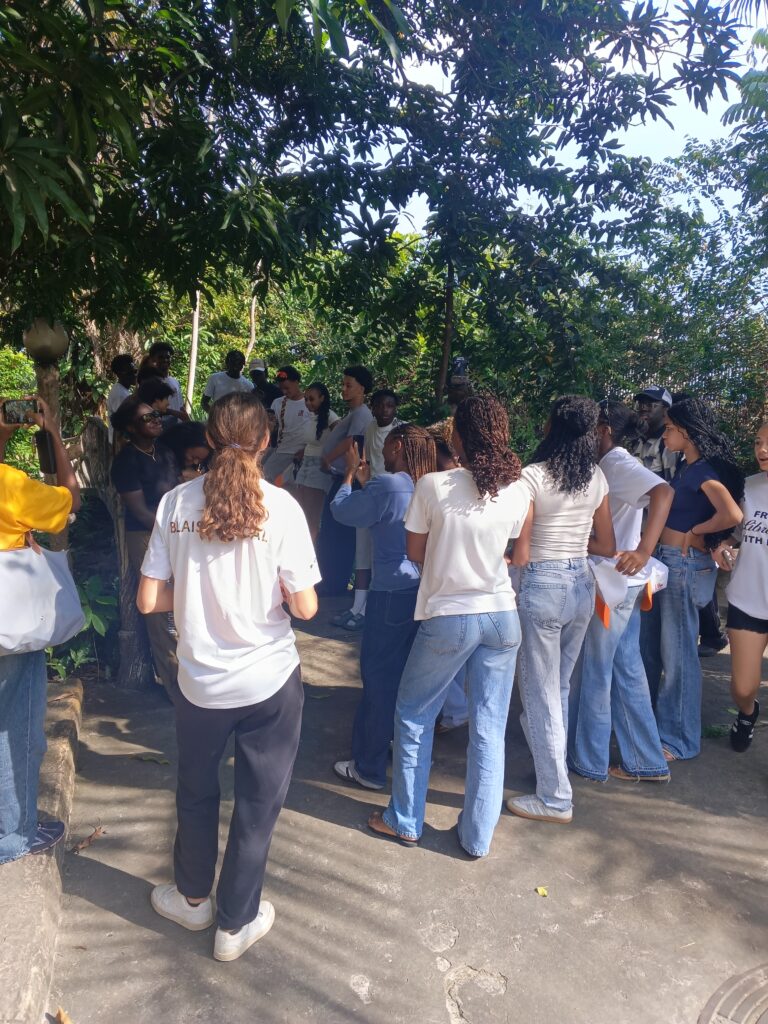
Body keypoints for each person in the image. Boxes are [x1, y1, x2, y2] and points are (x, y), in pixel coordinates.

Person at [137, 393, 319, 962]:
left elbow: (148, 599)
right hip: (270, 681)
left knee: (196, 790)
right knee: (258, 804)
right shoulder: (282, 507)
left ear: (209, 440)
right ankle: (234, 925)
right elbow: (306, 607)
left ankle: (193, 899)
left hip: (199, 684)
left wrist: (196, 592)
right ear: (266, 441)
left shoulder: (175, 503)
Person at [367, 395, 530, 858]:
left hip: (449, 615)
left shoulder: (433, 485)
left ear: (460, 435)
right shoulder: (518, 489)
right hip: (502, 615)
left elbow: (415, 552)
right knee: (489, 727)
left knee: (414, 714)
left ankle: (404, 820)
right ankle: (477, 837)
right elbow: (518, 551)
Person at [507, 395, 615, 825]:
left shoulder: (532, 476)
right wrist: (573, 542)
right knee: (558, 689)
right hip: (581, 584)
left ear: (551, 426)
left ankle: (554, 798)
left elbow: (520, 547)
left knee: (540, 693)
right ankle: (551, 772)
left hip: (543, 585)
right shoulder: (596, 476)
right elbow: (607, 544)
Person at [568, 401, 673, 784]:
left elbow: (664, 492)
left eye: (591, 427)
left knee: (596, 673)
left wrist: (644, 550)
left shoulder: (616, 463)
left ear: (605, 429)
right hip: (622, 583)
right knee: (626, 668)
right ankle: (645, 760)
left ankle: (589, 761)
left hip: (612, 583)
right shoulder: (611, 463)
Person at [331, 424, 436, 790]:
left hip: (390, 592)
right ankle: (394, 746)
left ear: (399, 446)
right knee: (408, 677)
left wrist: (348, 475)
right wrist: (367, 483)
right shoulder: (430, 485)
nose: (383, 453)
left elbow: (342, 511)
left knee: (377, 679)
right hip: (424, 591)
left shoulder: (388, 485)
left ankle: (368, 767)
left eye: (387, 445)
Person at [0, 398, 81, 863]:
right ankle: (14, 835)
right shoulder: (9, 486)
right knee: (16, 726)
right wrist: (51, 431)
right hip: (8, 627)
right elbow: (69, 498)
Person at [640, 398, 743, 761]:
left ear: (686, 431)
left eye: (669, 428)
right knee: (655, 649)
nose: (665, 434)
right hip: (668, 564)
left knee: (679, 655)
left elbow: (732, 514)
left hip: (682, 565)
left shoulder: (701, 471)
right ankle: (656, 726)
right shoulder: (688, 466)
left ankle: (678, 740)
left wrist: (696, 532)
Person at [110, 396, 179, 695]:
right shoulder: (126, 461)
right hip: (145, 536)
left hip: (174, 534)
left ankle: (194, 680)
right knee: (159, 611)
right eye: (146, 418)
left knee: (182, 603)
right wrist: (174, 533)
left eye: (155, 415)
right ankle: (174, 685)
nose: (155, 420)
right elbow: (139, 511)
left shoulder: (165, 452)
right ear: (130, 428)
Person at [711, 421, 768, 753]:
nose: (762, 450)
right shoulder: (748, 487)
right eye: (758, 442)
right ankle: (747, 714)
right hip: (748, 600)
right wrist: (723, 547)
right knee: (743, 688)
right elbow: (736, 533)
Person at [318, 365, 374, 603]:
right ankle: (331, 581)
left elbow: (353, 441)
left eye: (349, 385)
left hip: (347, 479)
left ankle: (334, 583)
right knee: (332, 531)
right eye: (343, 384)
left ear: (362, 388)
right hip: (340, 477)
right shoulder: (354, 414)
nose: (344, 389)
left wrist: (328, 459)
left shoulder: (362, 414)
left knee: (337, 532)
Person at [295, 383, 339, 542]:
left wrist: (329, 458)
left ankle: (312, 548)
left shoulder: (330, 416)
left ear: (322, 398)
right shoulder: (309, 415)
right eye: (306, 399)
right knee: (301, 509)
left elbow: (341, 438)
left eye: (312, 399)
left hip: (318, 467)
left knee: (312, 514)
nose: (308, 403)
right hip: (305, 464)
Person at [263, 366, 309, 489]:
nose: (284, 392)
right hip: (281, 450)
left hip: (302, 453)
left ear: (296, 382)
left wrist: (306, 450)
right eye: (281, 388)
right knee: (265, 478)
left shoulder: (309, 402)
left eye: (287, 388)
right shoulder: (278, 403)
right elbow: (271, 428)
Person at [631, 386, 680, 481]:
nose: (643, 408)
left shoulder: (668, 443)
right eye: (640, 404)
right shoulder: (637, 439)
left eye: (650, 405)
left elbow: (671, 485)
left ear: (665, 410)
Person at [106, 355, 137, 444]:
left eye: (135, 371)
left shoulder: (122, 390)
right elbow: (124, 422)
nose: (135, 375)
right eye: (130, 372)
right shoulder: (120, 394)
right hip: (120, 443)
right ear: (120, 374)